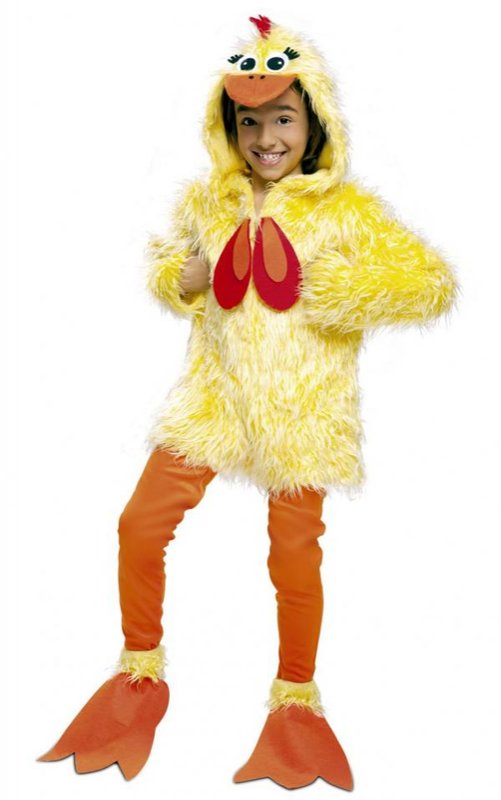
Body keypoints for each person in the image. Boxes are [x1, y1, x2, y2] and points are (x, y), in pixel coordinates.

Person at [37, 14, 460, 789]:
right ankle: (138, 672)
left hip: (303, 412)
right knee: (138, 525)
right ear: (228, 129)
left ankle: (295, 702)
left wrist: (339, 288)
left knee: (293, 556)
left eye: (283, 119)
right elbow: (171, 264)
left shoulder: (346, 212)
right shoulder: (210, 203)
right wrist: (176, 279)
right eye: (249, 122)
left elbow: (428, 283)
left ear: (314, 123)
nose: (266, 138)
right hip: (216, 400)